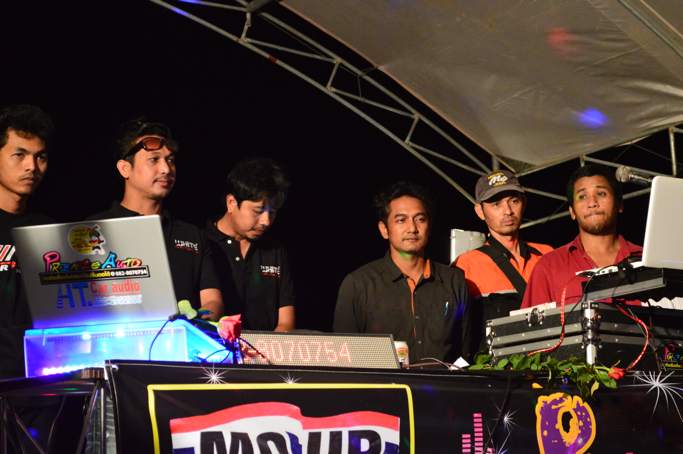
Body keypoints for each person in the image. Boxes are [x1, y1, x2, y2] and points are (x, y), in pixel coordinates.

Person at [88, 119, 225, 320]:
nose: (166, 169)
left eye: (170, 160)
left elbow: (213, 301)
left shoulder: (192, 235)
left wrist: (196, 322)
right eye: (154, 160)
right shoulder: (94, 231)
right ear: (125, 168)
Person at [333, 181, 471, 364]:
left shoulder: (454, 280)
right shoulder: (358, 284)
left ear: (429, 226)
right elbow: (344, 357)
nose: (412, 228)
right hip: (381, 383)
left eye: (420, 219)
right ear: (384, 229)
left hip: (445, 382)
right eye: (401, 220)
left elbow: (466, 352)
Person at [521, 164, 642, 308]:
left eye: (601, 193)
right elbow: (530, 322)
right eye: (582, 196)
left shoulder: (645, 260)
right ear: (572, 211)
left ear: (619, 204)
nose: (592, 203)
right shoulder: (549, 267)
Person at [206, 158, 295, 331]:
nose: (266, 221)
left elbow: (286, 323)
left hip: (265, 348)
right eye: (258, 211)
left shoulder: (275, 251)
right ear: (231, 203)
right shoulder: (203, 243)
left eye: (272, 213)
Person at [454, 170, 552, 321]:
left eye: (514, 201)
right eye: (496, 204)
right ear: (480, 211)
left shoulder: (546, 254)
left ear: (524, 204)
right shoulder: (466, 265)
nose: (508, 211)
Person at [0, 104, 54, 378]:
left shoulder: (49, 231)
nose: (31, 167)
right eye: (19, 155)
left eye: (40, 156)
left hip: (36, 378)